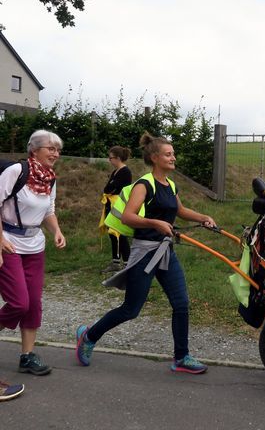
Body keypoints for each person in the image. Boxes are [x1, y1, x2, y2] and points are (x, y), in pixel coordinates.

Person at [75, 132, 216, 374]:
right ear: (154, 157)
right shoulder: (144, 184)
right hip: (145, 253)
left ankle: (181, 357)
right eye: (168, 154)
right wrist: (154, 223)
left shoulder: (170, 184)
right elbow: (129, 216)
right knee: (131, 309)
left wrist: (203, 218)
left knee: (181, 303)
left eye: (173, 154)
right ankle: (88, 336)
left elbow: (180, 210)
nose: (173, 157)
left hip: (165, 252)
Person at [0, 130, 66, 376]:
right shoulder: (16, 171)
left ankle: (27, 357)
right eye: (50, 148)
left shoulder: (50, 178)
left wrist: (56, 230)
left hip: (34, 245)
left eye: (57, 150)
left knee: (33, 305)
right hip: (9, 243)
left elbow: (48, 210)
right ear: (34, 149)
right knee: (19, 302)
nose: (55, 153)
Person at [99, 146, 133, 273]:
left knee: (120, 234)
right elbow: (108, 188)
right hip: (110, 205)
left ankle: (127, 264)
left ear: (118, 158)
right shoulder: (116, 171)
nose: (109, 160)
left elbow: (111, 188)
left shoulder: (125, 172)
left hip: (119, 206)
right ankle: (116, 262)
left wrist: (109, 189)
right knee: (112, 234)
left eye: (111, 158)